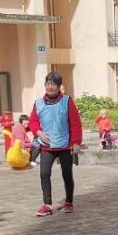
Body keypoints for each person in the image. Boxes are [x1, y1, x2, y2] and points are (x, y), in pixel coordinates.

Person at [29, 71, 83, 216]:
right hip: (46, 146)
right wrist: (38, 132)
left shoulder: (67, 101)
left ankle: (69, 202)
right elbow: (33, 121)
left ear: (59, 86)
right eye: (48, 84)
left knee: (67, 174)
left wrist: (76, 142)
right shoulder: (38, 103)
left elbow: (75, 123)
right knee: (44, 174)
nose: (50, 87)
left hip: (65, 145)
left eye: (53, 84)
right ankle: (47, 204)